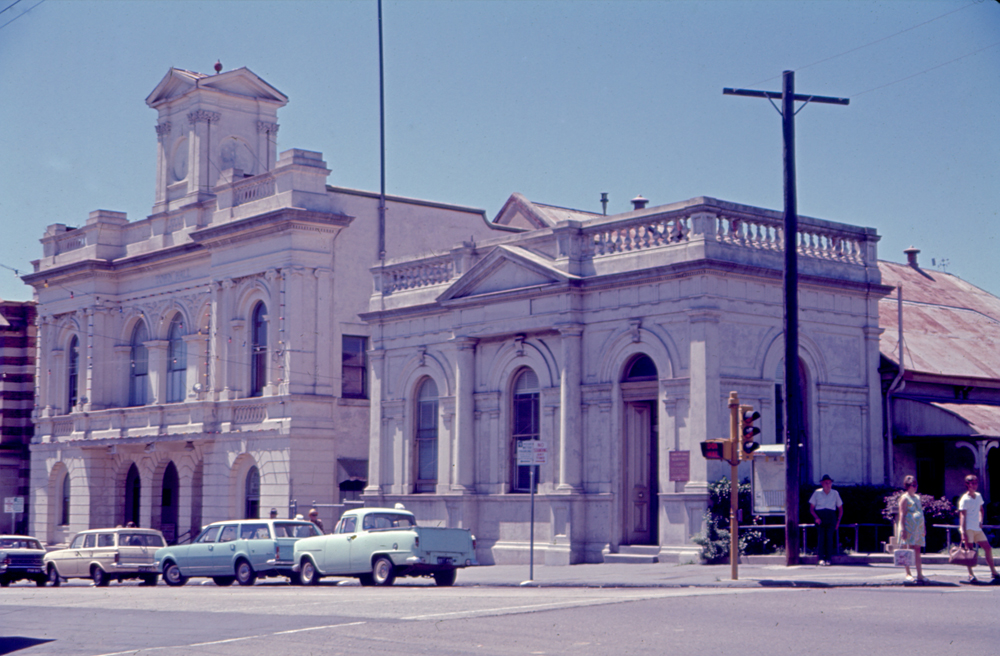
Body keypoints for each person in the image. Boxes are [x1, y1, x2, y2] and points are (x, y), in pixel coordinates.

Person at [958, 474, 999, 584]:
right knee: (970, 552)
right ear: (967, 484)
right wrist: (963, 532)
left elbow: (981, 509)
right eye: (973, 483)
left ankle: (993, 572)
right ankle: (971, 574)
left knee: (988, 548)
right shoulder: (964, 499)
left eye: (976, 483)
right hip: (968, 529)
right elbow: (962, 516)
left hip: (977, 528)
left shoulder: (979, 496)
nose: (975, 485)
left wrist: (981, 520)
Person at [897, 475, 926, 584]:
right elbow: (902, 514)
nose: (915, 487)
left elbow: (921, 513)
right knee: (907, 550)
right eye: (913, 485)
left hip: (917, 528)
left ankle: (920, 574)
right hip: (908, 527)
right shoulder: (904, 498)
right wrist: (903, 529)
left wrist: (923, 527)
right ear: (907, 486)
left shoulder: (917, 497)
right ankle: (908, 573)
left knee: (917, 550)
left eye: (916, 484)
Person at [809, 474, 843, 566]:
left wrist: (838, 521)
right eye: (826, 483)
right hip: (820, 517)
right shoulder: (817, 493)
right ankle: (820, 559)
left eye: (829, 483)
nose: (828, 485)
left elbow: (840, 508)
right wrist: (816, 517)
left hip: (831, 517)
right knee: (821, 538)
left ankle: (828, 559)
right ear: (822, 484)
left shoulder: (835, 493)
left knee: (829, 538)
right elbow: (811, 508)